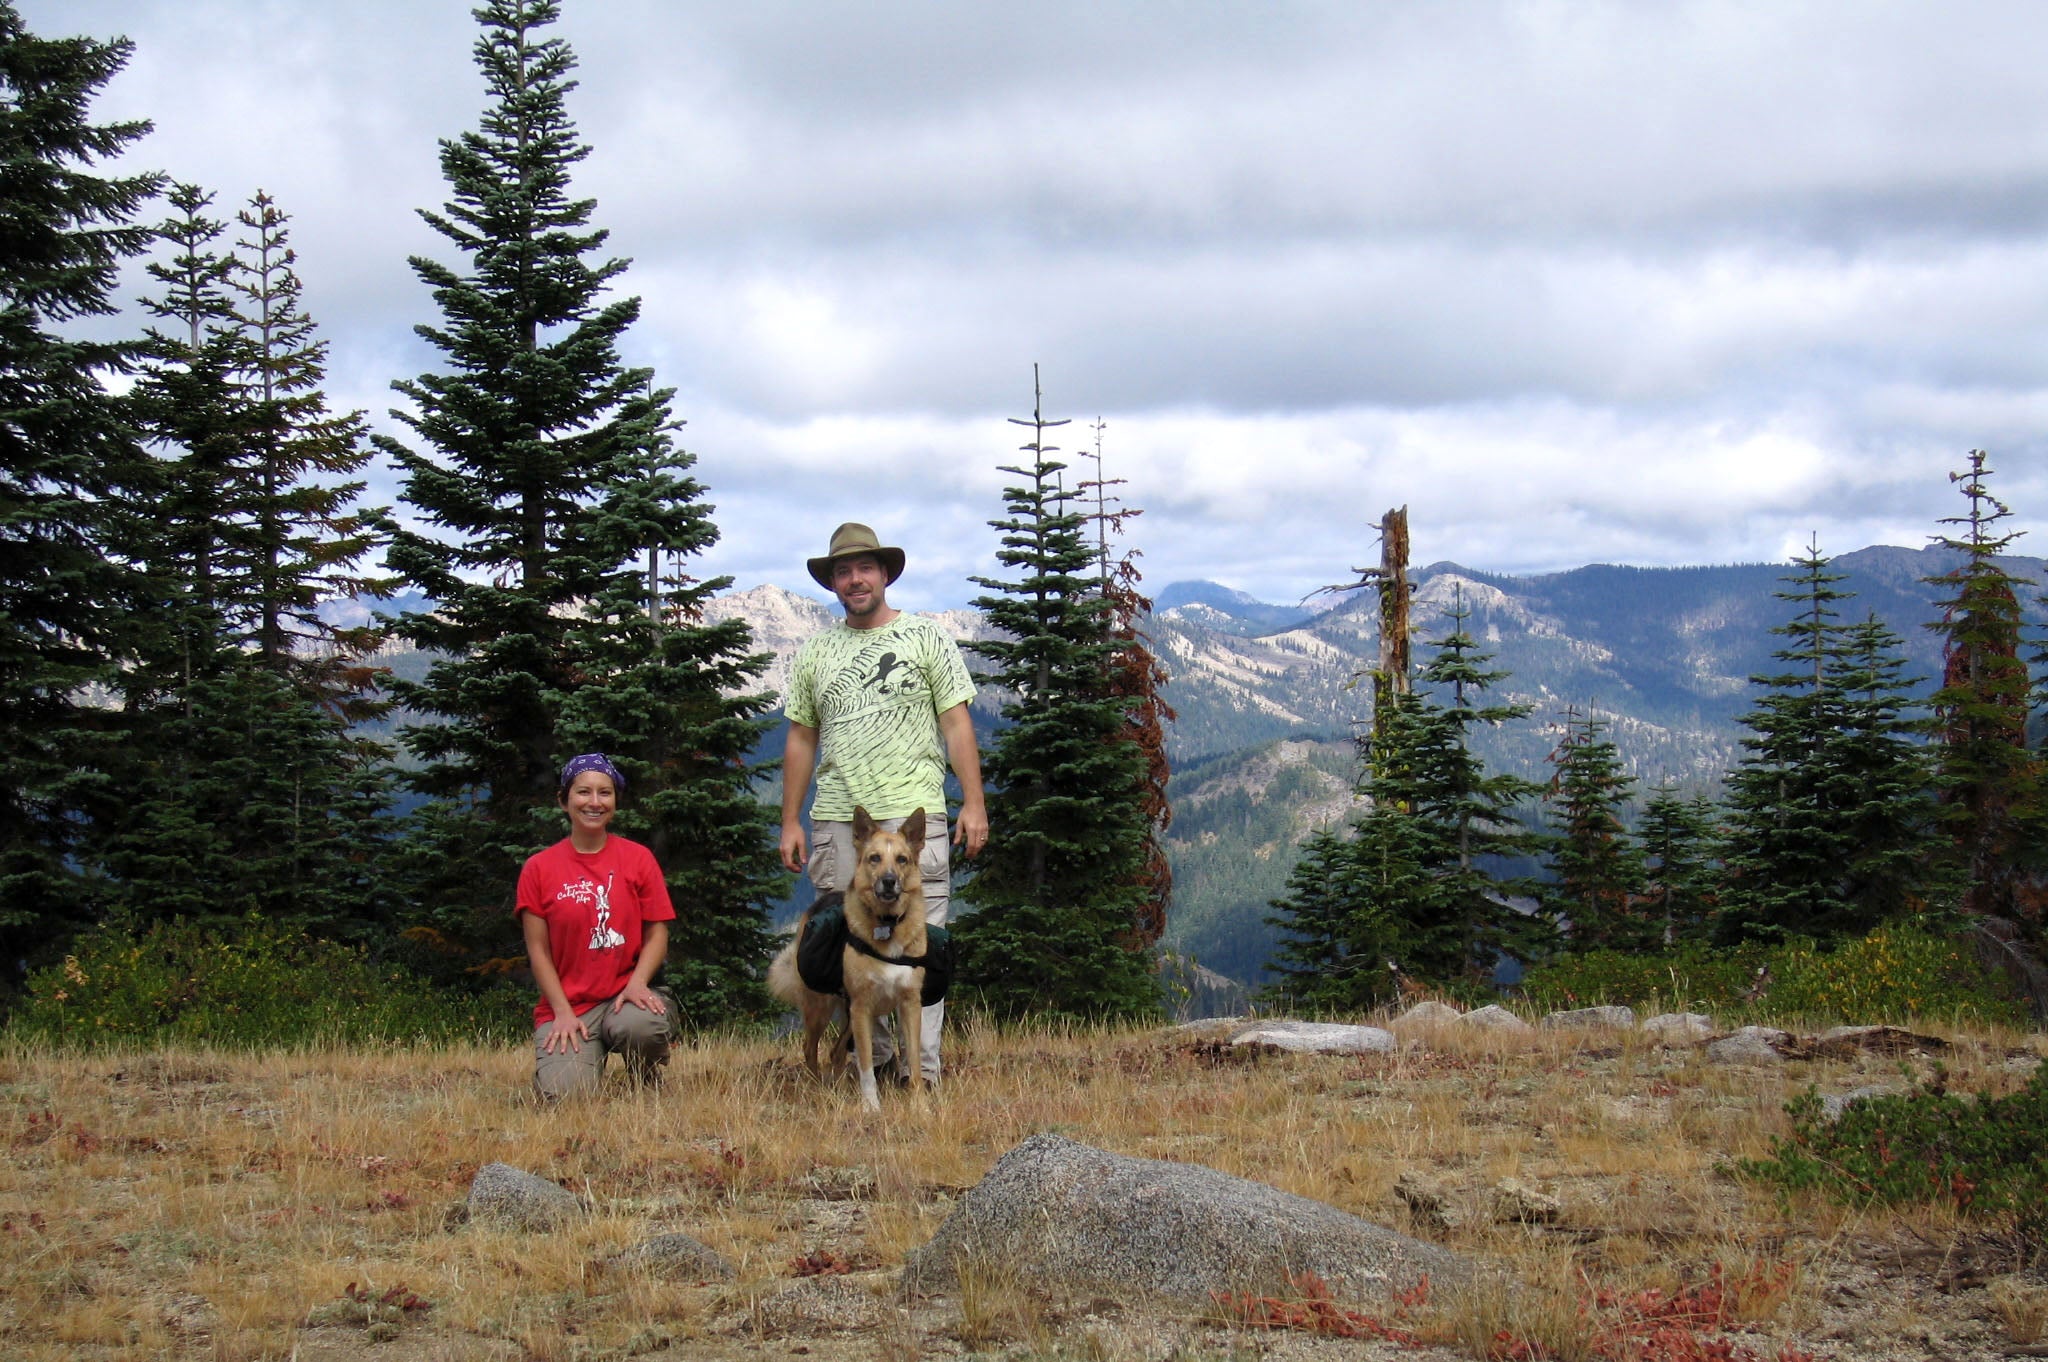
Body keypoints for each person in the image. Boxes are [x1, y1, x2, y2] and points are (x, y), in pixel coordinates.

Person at [780, 522, 987, 1084]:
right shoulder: (816, 653)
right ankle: (873, 1063)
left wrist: (973, 802)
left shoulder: (926, 639)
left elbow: (955, 722)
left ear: (885, 573)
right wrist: (790, 820)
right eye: (843, 571)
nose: (854, 579)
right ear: (833, 583)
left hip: (915, 815)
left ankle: (922, 1072)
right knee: (852, 948)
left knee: (920, 951)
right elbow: (801, 737)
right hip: (840, 823)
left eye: (864, 568)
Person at [516, 753, 674, 1099]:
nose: (594, 802)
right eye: (583, 792)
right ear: (564, 800)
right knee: (566, 1099)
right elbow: (538, 950)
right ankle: (567, 1069)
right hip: (569, 1005)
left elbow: (657, 931)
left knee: (642, 1027)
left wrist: (638, 983)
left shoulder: (638, 858)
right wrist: (560, 1011)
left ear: (615, 800)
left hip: (625, 996)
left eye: (605, 793)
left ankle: (645, 1074)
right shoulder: (538, 868)